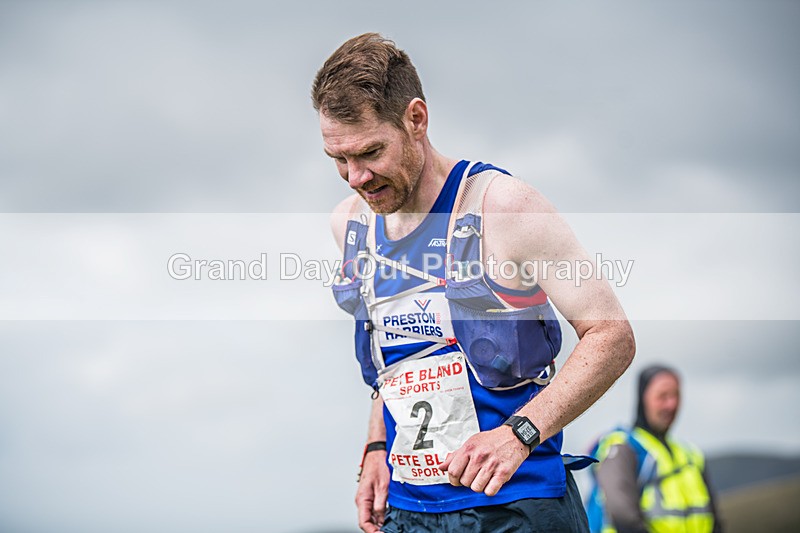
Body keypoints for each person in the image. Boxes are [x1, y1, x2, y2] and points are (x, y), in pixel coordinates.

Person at [312, 33, 636, 532]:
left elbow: (612, 335)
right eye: (340, 159)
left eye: (370, 152)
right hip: (410, 511)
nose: (356, 177)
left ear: (416, 119)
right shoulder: (350, 225)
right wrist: (376, 447)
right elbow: (397, 360)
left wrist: (519, 434)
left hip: (517, 507)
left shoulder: (503, 207)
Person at [586, 365, 722, 533]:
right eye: (662, 396)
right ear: (643, 399)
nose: (671, 404)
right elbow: (623, 516)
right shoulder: (623, 447)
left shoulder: (691, 455)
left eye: (676, 395)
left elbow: (715, 518)